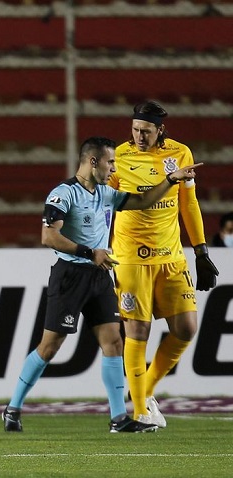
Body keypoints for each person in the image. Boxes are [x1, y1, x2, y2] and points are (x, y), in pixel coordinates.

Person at [2, 136, 201, 434]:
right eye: (110, 162)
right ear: (93, 162)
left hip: (99, 275)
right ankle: (13, 407)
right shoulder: (64, 193)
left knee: (114, 343)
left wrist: (171, 179)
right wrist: (89, 252)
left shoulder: (106, 193)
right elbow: (48, 237)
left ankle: (119, 417)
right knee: (50, 347)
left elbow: (143, 201)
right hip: (70, 276)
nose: (114, 168)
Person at [110, 100, 220, 428]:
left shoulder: (180, 153)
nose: (139, 136)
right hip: (130, 256)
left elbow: (189, 204)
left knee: (186, 329)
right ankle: (140, 411)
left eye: (146, 131)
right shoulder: (119, 156)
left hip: (171, 255)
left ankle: (143, 391)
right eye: (135, 130)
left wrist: (201, 251)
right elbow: (105, 203)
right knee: (137, 330)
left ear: (160, 130)